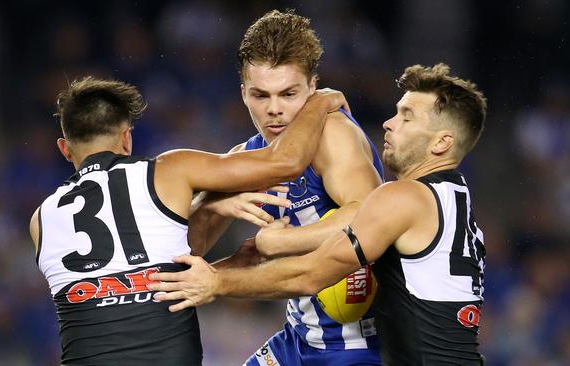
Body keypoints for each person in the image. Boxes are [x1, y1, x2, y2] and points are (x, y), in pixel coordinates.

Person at [150, 63, 488, 365]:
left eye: (406, 117)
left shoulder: (403, 197)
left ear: (442, 143)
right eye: (396, 112)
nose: (388, 123)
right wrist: (212, 206)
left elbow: (311, 275)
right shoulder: (455, 198)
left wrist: (221, 278)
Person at [28, 76, 347, 365]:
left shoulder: (40, 220)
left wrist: (211, 215)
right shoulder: (168, 171)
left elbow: (122, 291)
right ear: (127, 138)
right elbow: (286, 161)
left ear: (65, 150)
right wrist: (318, 101)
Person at [185, 9, 384, 366]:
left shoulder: (332, 136)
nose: (274, 110)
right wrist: (214, 205)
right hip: (297, 339)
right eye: (261, 96)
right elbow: (189, 248)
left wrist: (278, 242)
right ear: (243, 93)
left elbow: (372, 216)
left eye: (289, 94)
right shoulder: (248, 156)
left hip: (359, 346)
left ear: (313, 86)